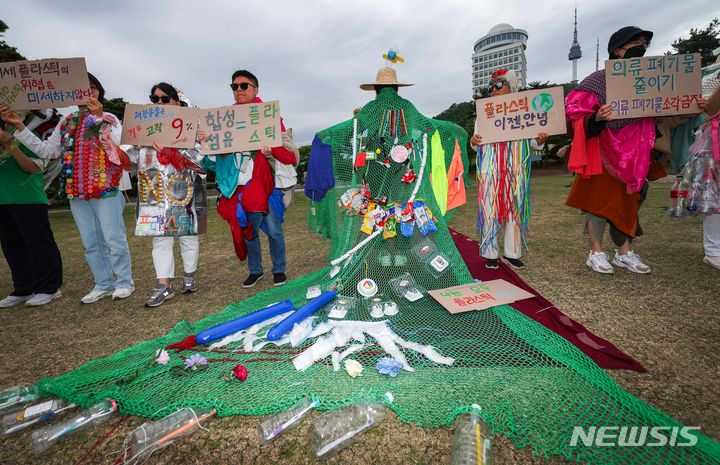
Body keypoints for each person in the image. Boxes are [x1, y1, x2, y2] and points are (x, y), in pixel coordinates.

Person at [0, 73, 134, 302]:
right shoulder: (67, 121)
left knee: (113, 237)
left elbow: (120, 148)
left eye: (93, 88)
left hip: (106, 187)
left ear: (99, 92)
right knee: (90, 240)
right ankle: (102, 283)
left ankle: (123, 282)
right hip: (77, 189)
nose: (89, 92)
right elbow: (46, 151)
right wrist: (19, 125)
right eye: (83, 88)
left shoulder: (109, 117)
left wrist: (99, 117)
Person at [565, 27, 661, 275]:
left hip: (636, 152)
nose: (641, 47)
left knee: (628, 200)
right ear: (617, 50)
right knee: (597, 202)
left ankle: (624, 252)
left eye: (644, 43)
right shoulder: (597, 80)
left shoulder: (652, 78)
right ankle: (596, 252)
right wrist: (597, 117)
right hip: (605, 151)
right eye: (635, 43)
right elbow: (573, 112)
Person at [200, 70, 297, 288]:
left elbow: (289, 155)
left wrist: (271, 151)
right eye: (234, 87)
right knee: (247, 230)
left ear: (256, 89)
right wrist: (207, 143)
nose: (239, 90)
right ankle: (255, 270)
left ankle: (279, 269)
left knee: (273, 229)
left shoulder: (269, 117)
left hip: (266, 184)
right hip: (238, 185)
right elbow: (210, 164)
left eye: (244, 85)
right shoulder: (223, 121)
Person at [122, 83, 205, 307]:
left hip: (184, 187)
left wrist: (171, 151)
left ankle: (189, 276)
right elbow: (128, 160)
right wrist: (112, 147)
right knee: (160, 237)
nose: (159, 103)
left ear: (177, 102)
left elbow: (199, 160)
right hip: (154, 188)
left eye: (165, 98)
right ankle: (164, 285)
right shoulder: (143, 128)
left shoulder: (190, 127)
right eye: (154, 98)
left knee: (188, 235)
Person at [469, 69, 548, 269]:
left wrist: (540, 140)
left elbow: (533, 142)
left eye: (498, 85)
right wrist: (473, 140)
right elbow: (476, 142)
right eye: (491, 87)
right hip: (490, 170)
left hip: (515, 169)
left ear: (510, 88)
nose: (493, 90)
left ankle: (512, 254)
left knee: (515, 212)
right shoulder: (484, 113)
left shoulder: (523, 111)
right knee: (490, 211)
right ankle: (490, 254)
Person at [0, 110, 63, 307]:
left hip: (28, 198)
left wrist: (10, 144)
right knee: (12, 247)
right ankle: (23, 288)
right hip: (3, 200)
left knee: (39, 244)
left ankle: (49, 287)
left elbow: (34, 168)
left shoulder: (23, 135)